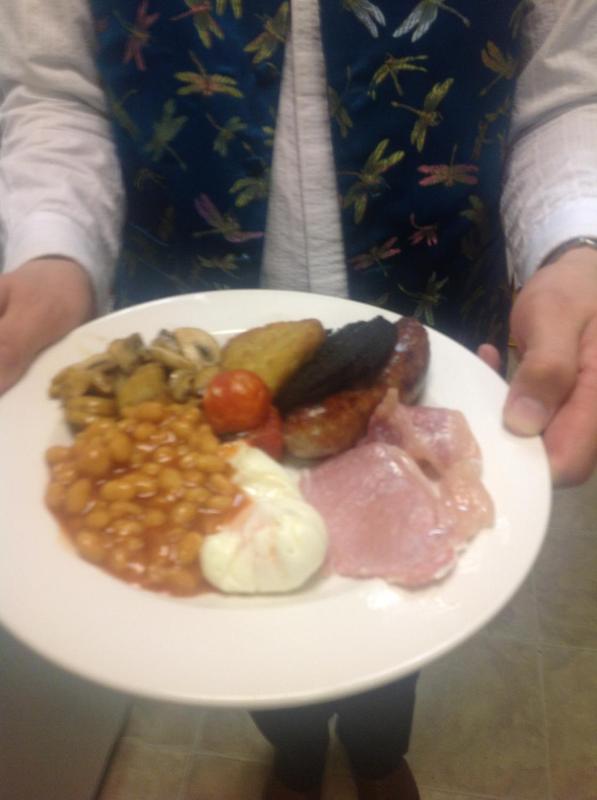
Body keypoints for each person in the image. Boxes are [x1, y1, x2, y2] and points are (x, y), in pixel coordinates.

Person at [1, 1, 596, 799]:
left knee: (412, 578)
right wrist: (53, 248)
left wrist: (575, 244)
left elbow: (567, 93)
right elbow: (56, 91)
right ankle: (293, 754)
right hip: (194, 339)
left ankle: (378, 754)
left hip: (431, 313)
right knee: (256, 593)